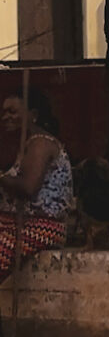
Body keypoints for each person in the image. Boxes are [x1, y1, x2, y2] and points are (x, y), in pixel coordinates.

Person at [0, 89, 73, 282]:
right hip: (14, 224)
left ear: (33, 115)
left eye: (13, 112)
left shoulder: (40, 144)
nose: (5, 117)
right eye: (4, 112)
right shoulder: (27, 144)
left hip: (40, 227)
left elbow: (27, 188)